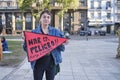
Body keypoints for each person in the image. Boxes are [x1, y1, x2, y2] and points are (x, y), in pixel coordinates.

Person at [23, 9, 67, 80]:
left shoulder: (56, 31)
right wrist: (26, 41)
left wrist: (63, 42)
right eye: (44, 17)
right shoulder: (34, 33)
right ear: (40, 19)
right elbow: (25, 48)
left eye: (48, 17)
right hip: (38, 62)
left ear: (50, 20)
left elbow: (62, 48)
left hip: (51, 62)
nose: (46, 19)